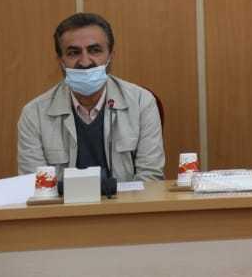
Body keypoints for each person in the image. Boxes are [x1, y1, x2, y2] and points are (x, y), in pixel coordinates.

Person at [17, 13, 165, 181]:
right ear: (60, 61)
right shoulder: (34, 114)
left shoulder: (141, 102)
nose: (85, 62)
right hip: (64, 200)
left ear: (110, 56)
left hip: (128, 199)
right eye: (73, 53)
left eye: (95, 50)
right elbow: (37, 185)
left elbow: (150, 178)